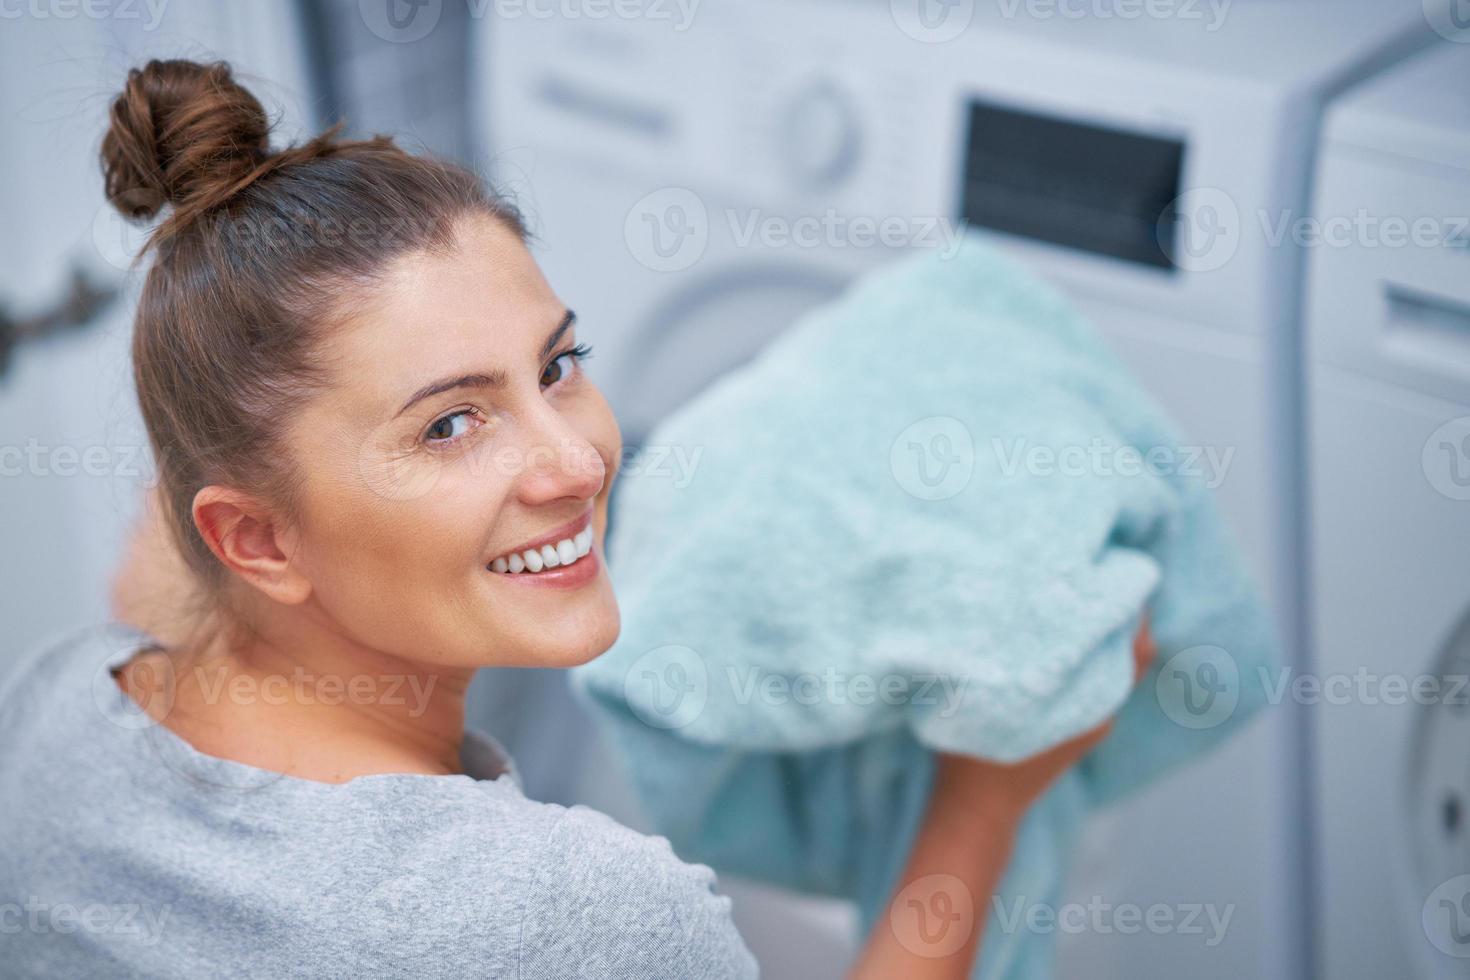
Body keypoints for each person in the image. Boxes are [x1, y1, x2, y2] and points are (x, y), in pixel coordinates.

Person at [0, 59, 1152, 978]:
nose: (577, 460)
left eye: (558, 365)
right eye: (449, 425)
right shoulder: (572, 918)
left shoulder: (54, 704)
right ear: (253, 539)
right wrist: (987, 794)